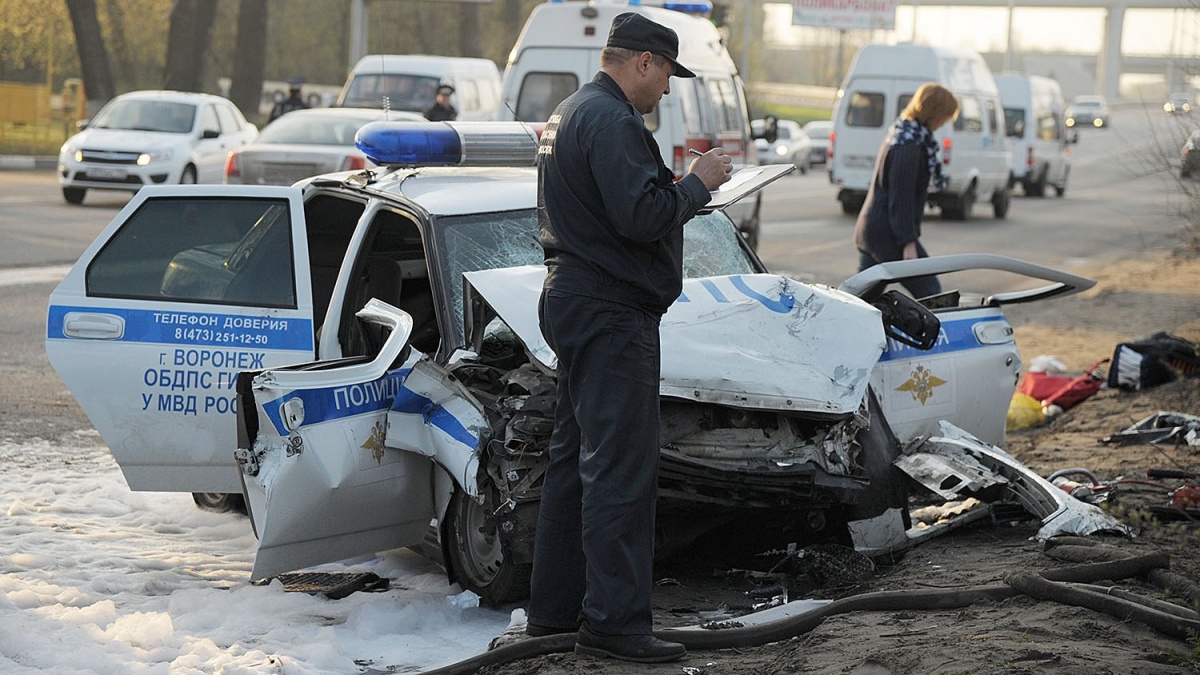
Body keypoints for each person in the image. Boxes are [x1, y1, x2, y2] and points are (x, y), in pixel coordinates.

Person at [526, 11, 732, 664]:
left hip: (575, 301)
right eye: (668, 73)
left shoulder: (569, 112)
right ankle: (615, 623)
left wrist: (676, 188)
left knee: (574, 465)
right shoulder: (612, 119)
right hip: (611, 312)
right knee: (618, 471)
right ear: (644, 61)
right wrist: (698, 184)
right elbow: (641, 215)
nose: (667, 89)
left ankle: (555, 611)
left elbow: (614, 210)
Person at [853, 82, 960, 299]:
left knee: (861, 301)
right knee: (931, 293)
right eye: (944, 116)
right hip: (887, 234)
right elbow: (901, 199)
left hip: (872, 230)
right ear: (934, 113)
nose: (944, 123)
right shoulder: (909, 147)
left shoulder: (901, 132)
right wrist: (908, 243)